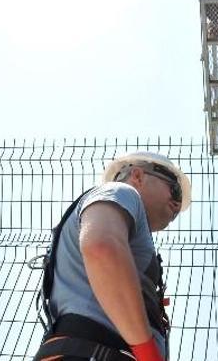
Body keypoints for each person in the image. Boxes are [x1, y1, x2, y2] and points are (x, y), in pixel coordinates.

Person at [33, 151, 191, 361]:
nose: (178, 204)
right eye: (175, 189)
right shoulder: (121, 191)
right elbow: (101, 248)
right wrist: (148, 355)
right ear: (138, 176)